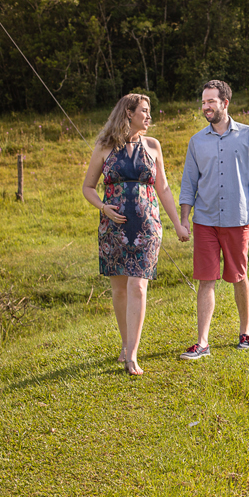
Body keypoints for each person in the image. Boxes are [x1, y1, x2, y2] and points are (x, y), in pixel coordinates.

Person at [82, 93, 190, 375]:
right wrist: (103, 207)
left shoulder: (153, 146)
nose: (149, 116)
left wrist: (178, 224)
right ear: (128, 113)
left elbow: (163, 188)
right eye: (144, 110)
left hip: (147, 226)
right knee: (119, 289)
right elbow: (88, 188)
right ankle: (125, 342)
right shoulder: (105, 147)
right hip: (113, 228)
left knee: (138, 286)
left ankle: (132, 355)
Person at [178, 79, 249, 358]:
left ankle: (245, 332)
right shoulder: (196, 141)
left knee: (239, 277)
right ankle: (202, 342)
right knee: (206, 279)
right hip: (204, 220)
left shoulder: (248, 135)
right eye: (203, 102)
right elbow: (188, 184)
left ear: (225, 103)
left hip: (237, 218)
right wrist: (184, 220)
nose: (205, 107)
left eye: (210, 102)